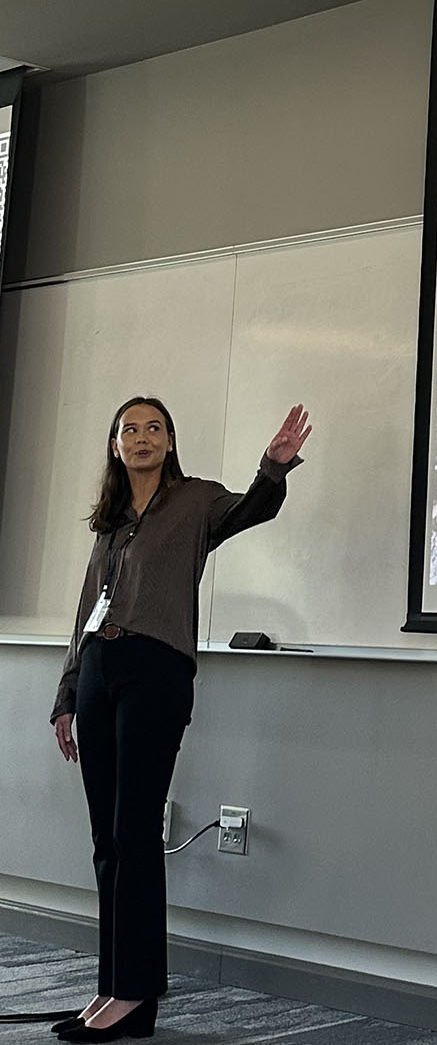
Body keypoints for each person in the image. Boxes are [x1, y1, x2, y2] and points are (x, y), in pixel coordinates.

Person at [47, 397, 311, 1043]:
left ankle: (135, 990)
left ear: (169, 441)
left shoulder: (196, 501)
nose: (142, 437)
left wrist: (273, 467)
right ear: (115, 446)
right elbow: (86, 609)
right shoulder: (110, 523)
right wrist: (67, 691)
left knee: (134, 831)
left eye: (154, 428)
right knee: (106, 838)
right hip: (100, 670)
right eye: (129, 429)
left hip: (156, 670)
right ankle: (115, 985)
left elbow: (251, 510)